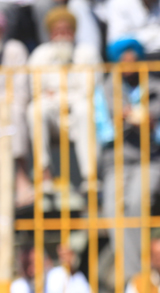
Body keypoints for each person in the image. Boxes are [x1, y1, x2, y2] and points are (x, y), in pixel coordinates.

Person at [94, 37, 160, 282]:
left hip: (149, 160)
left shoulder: (157, 88)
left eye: (132, 61)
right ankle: (137, 276)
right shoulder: (106, 89)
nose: (128, 66)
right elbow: (103, 132)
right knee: (113, 209)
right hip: (117, 160)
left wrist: (151, 125)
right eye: (123, 62)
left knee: (136, 204)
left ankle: (133, 277)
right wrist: (122, 121)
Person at [26, 6, 100, 187]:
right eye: (58, 31)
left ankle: (90, 176)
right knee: (35, 109)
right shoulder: (40, 55)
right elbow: (36, 91)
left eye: (66, 30)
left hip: (77, 113)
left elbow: (89, 89)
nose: (62, 35)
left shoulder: (87, 53)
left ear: (73, 32)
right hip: (52, 115)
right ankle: (44, 172)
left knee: (85, 109)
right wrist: (63, 97)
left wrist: (58, 96)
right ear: (51, 33)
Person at [0, 12, 34, 208]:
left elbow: (21, 91)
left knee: (15, 113)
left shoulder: (15, 49)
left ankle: (21, 178)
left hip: (10, 110)